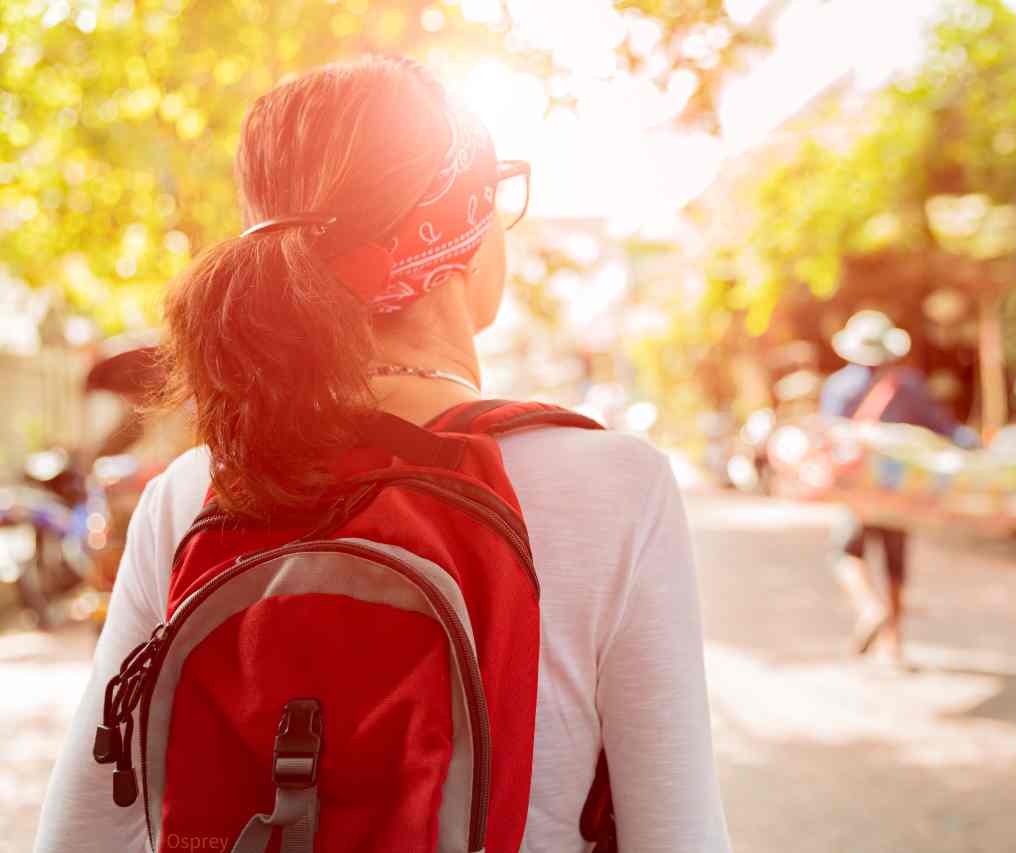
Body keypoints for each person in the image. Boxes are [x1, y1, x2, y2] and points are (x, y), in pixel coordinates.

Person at [36, 57, 730, 853]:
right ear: (463, 229)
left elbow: (80, 833)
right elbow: (678, 834)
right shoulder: (616, 484)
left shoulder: (203, 484)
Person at [822, 310, 976, 664]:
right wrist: (971, 444)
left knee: (846, 553)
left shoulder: (839, 387)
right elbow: (943, 427)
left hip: (857, 490)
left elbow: (829, 437)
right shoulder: (907, 384)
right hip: (901, 490)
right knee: (895, 564)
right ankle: (894, 644)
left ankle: (868, 605)